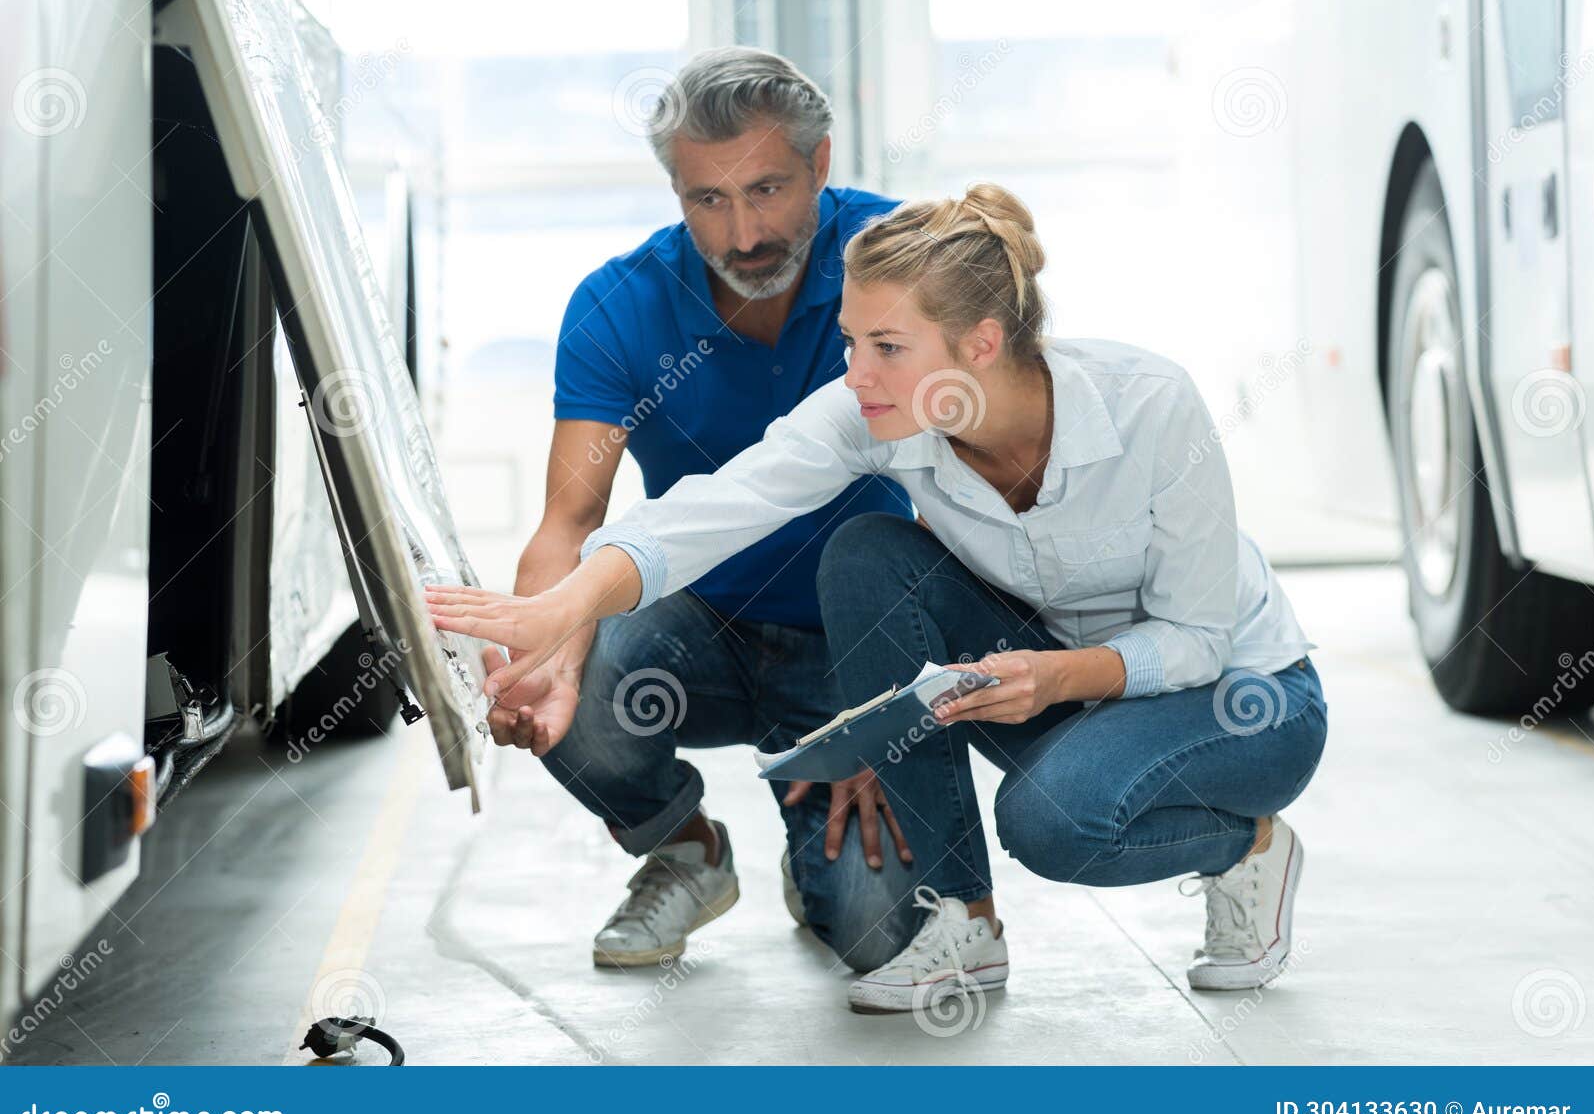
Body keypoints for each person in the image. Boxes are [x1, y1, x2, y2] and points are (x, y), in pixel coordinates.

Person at [430, 182, 1329, 1015]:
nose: (856, 372)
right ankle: (961, 922)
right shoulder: (876, 413)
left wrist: (1058, 677)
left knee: (1050, 822)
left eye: (887, 348)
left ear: (980, 342)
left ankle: (1248, 848)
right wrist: (567, 604)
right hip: (1061, 683)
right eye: (854, 342)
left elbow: (1200, 639)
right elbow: (719, 506)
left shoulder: (1150, 405)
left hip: (1238, 701)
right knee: (868, 553)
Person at [493, 45, 924, 973]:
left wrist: (895, 715)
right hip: (693, 625)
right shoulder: (618, 308)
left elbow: (981, 495)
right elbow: (568, 526)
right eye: (707, 202)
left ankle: (818, 868)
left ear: (820, 164)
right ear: (676, 192)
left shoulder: (902, 263)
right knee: (562, 686)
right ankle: (686, 848)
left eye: (767, 190)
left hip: (862, 643)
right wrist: (529, 652)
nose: (741, 237)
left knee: (881, 938)